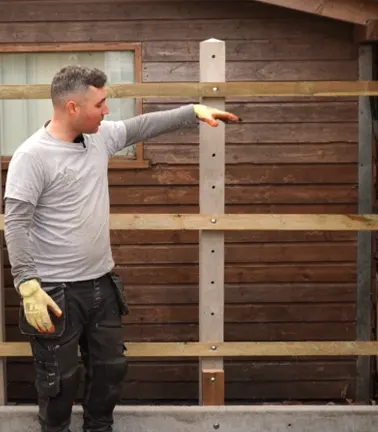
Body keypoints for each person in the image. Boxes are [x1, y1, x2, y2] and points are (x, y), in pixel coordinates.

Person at [4, 64, 240, 432]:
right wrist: (27, 284)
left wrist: (192, 113)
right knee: (59, 383)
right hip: (54, 293)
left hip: (101, 286)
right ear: (72, 108)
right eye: (100, 104)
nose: (107, 111)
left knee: (110, 372)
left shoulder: (99, 137)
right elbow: (16, 222)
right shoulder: (32, 156)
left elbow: (142, 126)